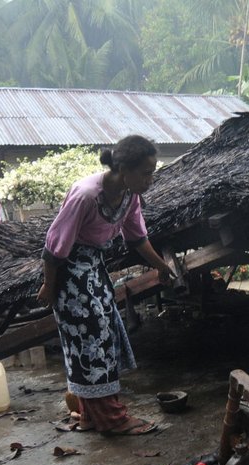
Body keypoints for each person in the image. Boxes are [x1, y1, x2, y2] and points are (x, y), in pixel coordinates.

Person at [38, 135, 175, 435]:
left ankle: (89, 416)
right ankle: (113, 420)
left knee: (104, 336)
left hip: (93, 270)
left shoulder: (129, 195)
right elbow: (55, 247)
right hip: (68, 273)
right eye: (146, 172)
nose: (150, 179)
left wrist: (161, 265)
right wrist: (49, 287)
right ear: (124, 169)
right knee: (91, 342)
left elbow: (137, 237)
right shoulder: (86, 195)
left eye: (152, 171)